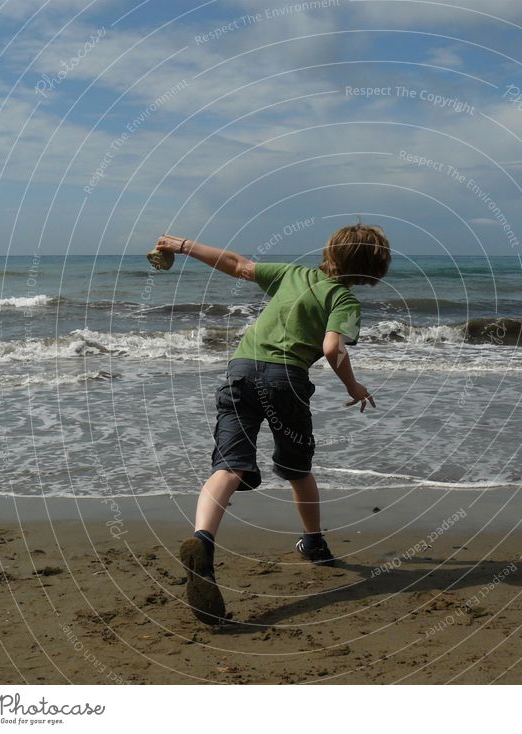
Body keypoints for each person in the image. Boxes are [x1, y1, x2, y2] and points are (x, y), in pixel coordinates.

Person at [154, 223, 392, 625]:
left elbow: (237, 264)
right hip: (286, 381)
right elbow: (331, 346)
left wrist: (183, 246)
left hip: (241, 372)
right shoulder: (345, 299)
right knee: (298, 467)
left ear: (331, 251)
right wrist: (353, 385)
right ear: (372, 270)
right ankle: (314, 544)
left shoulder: (293, 274)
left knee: (229, 466)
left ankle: (203, 540)